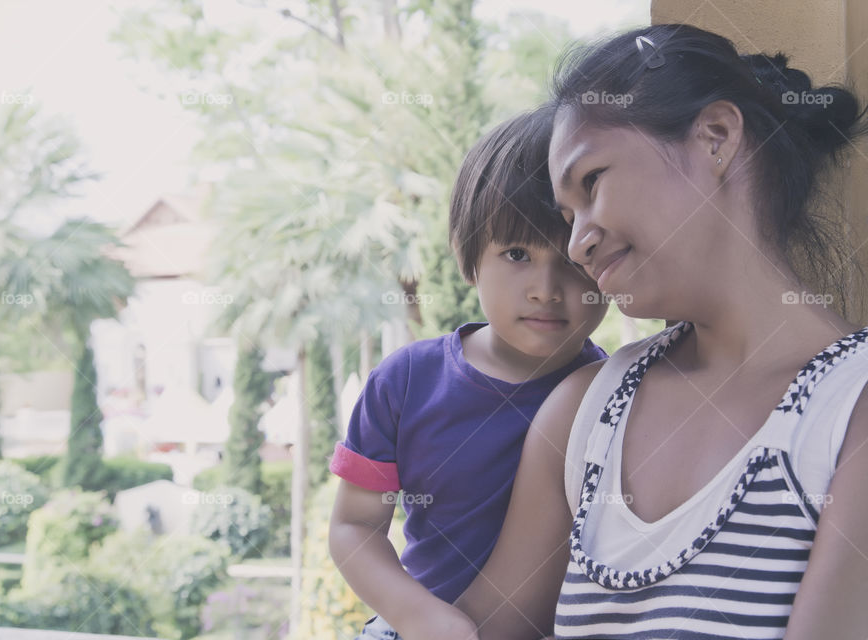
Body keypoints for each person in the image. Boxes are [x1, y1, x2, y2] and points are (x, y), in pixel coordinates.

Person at [448, 23, 868, 640]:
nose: (576, 242)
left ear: (716, 138)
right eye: (567, 217)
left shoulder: (849, 411)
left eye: (592, 182)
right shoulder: (584, 411)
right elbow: (478, 630)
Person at [327, 108, 610, 640]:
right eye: (517, 253)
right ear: (469, 258)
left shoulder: (616, 397)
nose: (546, 288)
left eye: (574, 258)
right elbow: (353, 526)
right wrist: (418, 615)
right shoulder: (407, 382)